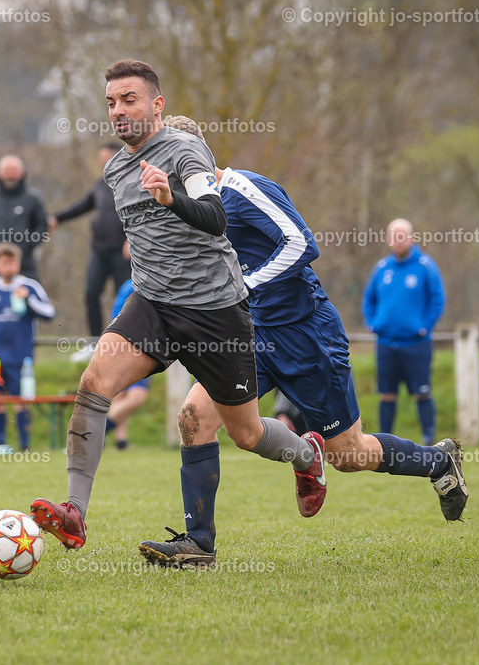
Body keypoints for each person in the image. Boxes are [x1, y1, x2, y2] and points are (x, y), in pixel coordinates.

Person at [136, 115, 467, 568]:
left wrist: (246, 285)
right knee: (195, 417)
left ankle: (437, 462)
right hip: (249, 337)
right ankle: (200, 545)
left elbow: (301, 243)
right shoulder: (193, 208)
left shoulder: (244, 190)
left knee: (349, 454)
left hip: (305, 334)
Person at [29, 60, 326, 559]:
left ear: (156, 105)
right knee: (93, 383)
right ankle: (75, 511)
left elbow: (215, 218)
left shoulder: (186, 151)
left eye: (129, 99)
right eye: (111, 102)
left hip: (215, 310)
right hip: (152, 303)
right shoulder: (115, 168)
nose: (119, 111)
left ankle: (306, 454)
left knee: (246, 432)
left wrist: (170, 198)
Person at [362, 219, 446, 446]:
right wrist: (372, 323)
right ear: (389, 240)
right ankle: (385, 441)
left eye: (402, 236)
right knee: (387, 394)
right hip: (386, 343)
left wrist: (424, 326)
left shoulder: (425, 266)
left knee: (422, 392)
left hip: (416, 344)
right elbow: (368, 299)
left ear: (411, 238)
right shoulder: (382, 268)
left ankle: (430, 439)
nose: (398, 240)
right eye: (394, 236)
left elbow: (437, 299)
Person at [48, 141, 131, 353]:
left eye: (106, 159)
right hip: (99, 250)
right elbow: (82, 206)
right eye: (101, 160)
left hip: (123, 252)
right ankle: (94, 342)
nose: (103, 163)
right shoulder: (99, 185)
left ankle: (124, 342)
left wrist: (132, 239)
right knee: (91, 293)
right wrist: (56, 218)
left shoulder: (130, 183)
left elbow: (142, 215)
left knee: (123, 298)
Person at [0, 243, 55, 451]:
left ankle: (25, 447)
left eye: (12, 262)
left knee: (21, 400)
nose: (9, 267)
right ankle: (1, 445)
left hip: (21, 357)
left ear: (18, 264)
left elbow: (48, 313)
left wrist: (28, 299)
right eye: (4, 262)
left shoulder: (30, 286)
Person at [0, 155, 49, 280]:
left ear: (22, 173)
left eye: (14, 170)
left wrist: (28, 245)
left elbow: (42, 225)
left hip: (26, 266)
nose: (10, 174)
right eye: (7, 170)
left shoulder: (33, 199)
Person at [103, 275, 149, 450]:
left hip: (143, 347)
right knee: (135, 396)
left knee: (123, 396)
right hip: (131, 347)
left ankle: (120, 440)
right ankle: (99, 431)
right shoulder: (132, 286)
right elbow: (117, 315)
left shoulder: (157, 282)